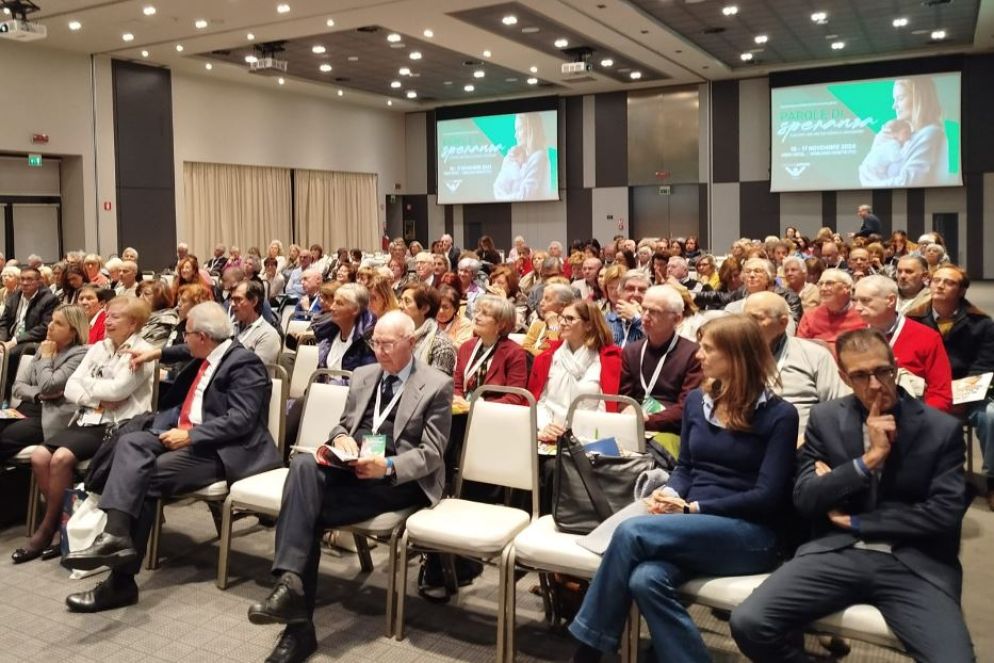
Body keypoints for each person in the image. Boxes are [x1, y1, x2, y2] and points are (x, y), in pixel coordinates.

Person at [730, 328, 974, 663]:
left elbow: (944, 513)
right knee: (750, 624)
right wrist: (868, 461)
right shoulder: (827, 418)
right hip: (835, 551)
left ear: (895, 368)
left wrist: (859, 520)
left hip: (915, 562)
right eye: (860, 375)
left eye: (882, 371)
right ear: (844, 377)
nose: (875, 385)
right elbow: (806, 499)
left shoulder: (940, 429)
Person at [570, 315, 799, 663]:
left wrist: (693, 509)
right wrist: (672, 494)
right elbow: (686, 468)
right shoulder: (696, 402)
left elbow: (767, 497)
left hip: (751, 534)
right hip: (691, 525)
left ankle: (586, 653)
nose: (698, 355)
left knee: (631, 532)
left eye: (707, 349)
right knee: (646, 579)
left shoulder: (779, 415)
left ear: (737, 356)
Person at [247, 311, 453, 662]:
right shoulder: (364, 375)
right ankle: (291, 590)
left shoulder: (436, 384)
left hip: (398, 479)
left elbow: (432, 454)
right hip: (354, 467)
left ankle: (295, 620)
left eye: (388, 344)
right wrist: (341, 438)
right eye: (376, 343)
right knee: (303, 464)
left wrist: (387, 466)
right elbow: (342, 425)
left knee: (305, 513)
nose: (379, 351)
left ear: (411, 343)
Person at [63, 302, 281, 611]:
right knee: (131, 442)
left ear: (203, 337)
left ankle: (120, 582)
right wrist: (156, 353)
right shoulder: (210, 351)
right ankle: (116, 535)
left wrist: (192, 435)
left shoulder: (245, 365)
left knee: (144, 477)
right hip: (185, 436)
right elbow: (180, 350)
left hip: (221, 450)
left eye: (186, 333)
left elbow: (241, 420)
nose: (182, 339)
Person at [28, 297, 155, 565]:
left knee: (61, 458)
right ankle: (59, 523)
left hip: (116, 426)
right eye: (107, 316)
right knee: (39, 456)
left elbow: (118, 391)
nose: (107, 321)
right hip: (87, 418)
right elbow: (71, 387)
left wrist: (89, 387)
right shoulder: (99, 347)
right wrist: (96, 399)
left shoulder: (143, 352)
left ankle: (48, 528)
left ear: (133, 323)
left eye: (115, 317)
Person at [1, 305, 90, 561]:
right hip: (30, 407)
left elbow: (51, 384)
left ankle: (39, 515)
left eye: (58, 323)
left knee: (5, 440)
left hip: (51, 417)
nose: (50, 326)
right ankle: (55, 517)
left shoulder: (80, 353)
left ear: (73, 332)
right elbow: (19, 387)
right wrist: (39, 394)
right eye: (51, 321)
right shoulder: (43, 348)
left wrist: (47, 362)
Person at [907, 265, 994, 509]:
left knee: (991, 416)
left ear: (962, 290)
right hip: (928, 390)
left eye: (949, 282)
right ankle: (919, 477)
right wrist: (937, 394)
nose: (940, 285)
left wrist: (962, 396)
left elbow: (984, 365)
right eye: (936, 280)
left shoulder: (982, 323)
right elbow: (912, 364)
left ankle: (992, 479)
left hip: (968, 391)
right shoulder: (913, 319)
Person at [743, 292, 848, 440]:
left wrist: (809, 439)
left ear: (783, 323)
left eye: (756, 318)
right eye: (744, 318)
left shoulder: (814, 355)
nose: (747, 324)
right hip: (742, 441)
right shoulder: (732, 355)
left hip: (800, 445)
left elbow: (840, 407)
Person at [619, 285, 704, 467]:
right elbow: (624, 397)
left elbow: (687, 407)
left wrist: (649, 420)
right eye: (644, 309)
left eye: (654, 312)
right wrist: (628, 410)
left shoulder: (693, 354)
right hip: (633, 426)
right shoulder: (631, 351)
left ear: (677, 319)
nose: (645, 316)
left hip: (672, 432)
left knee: (641, 463)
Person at [853, 275, 952, 413]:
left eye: (865, 301)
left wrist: (921, 420)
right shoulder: (853, 338)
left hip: (914, 415)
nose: (857, 307)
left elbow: (941, 392)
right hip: (862, 415)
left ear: (891, 300)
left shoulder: (927, 337)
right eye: (855, 300)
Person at [527, 301, 621, 439]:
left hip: (589, 437)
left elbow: (605, 408)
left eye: (570, 318)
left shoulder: (609, 360)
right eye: (561, 317)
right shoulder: (546, 357)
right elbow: (540, 401)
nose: (562, 323)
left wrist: (583, 436)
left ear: (588, 325)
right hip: (550, 436)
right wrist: (545, 426)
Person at [858, 78, 951, 188]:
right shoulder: (902, 138)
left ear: (918, 98)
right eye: (894, 100)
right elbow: (868, 170)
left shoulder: (929, 134)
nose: (894, 106)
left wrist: (870, 183)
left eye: (900, 98)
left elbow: (908, 182)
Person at [452, 295, 528, 409]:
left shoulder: (515, 353)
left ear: (501, 324)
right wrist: (459, 400)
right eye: (477, 311)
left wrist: (475, 407)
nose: (476, 317)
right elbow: (457, 385)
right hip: (461, 411)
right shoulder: (465, 347)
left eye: (485, 314)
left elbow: (514, 397)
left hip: (494, 414)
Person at [0, 266, 58, 396]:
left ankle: (7, 395)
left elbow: (44, 327)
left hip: (32, 341)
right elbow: (3, 322)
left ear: (39, 281)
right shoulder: (14, 297)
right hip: (9, 339)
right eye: (22, 279)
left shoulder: (49, 299)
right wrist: (2, 341)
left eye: (29, 279)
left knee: (12, 353)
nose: (25, 283)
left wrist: (15, 341)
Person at [796, 269, 865, 357]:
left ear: (847, 288)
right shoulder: (810, 316)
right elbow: (799, 350)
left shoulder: (863, 313)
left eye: (829, 283)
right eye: (820, 284)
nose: (823, 288)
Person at [399, 284, 456, 376]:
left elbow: (437, 383)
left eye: (407, 301)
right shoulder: (397, 335)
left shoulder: (441, 345)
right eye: (401, 300)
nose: (400, 305)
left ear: (424, 308)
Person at [493, 112, 551, 201]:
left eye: (519, 129)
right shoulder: (514, 158)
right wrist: (510, 163)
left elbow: (525, 196)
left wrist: (502, 198)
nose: (515, 135)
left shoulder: (539, 157)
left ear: (530, 129)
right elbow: (497, 188)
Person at [230, 280, 281, 367]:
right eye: (232, 299)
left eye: (238, 299)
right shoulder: (230, 329)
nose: (232, 304)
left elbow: (255, 371)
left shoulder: (268, 335)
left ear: (254, 301)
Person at [522, 283, 575, 357]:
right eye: (542, 298)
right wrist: (542, 354)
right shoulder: (538, 324)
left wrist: (553, 327)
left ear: (562, 306)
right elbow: (525, 349)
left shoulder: (570, 328)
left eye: (547, 299)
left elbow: (557, 356)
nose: (541, 303)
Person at [606, 270, 650, 349]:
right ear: (619, 292)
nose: (636, 294)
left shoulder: (656, 323)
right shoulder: (607, 321)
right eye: (630, 289)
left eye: (642, 290)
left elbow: (658, 342)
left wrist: (636, 318)